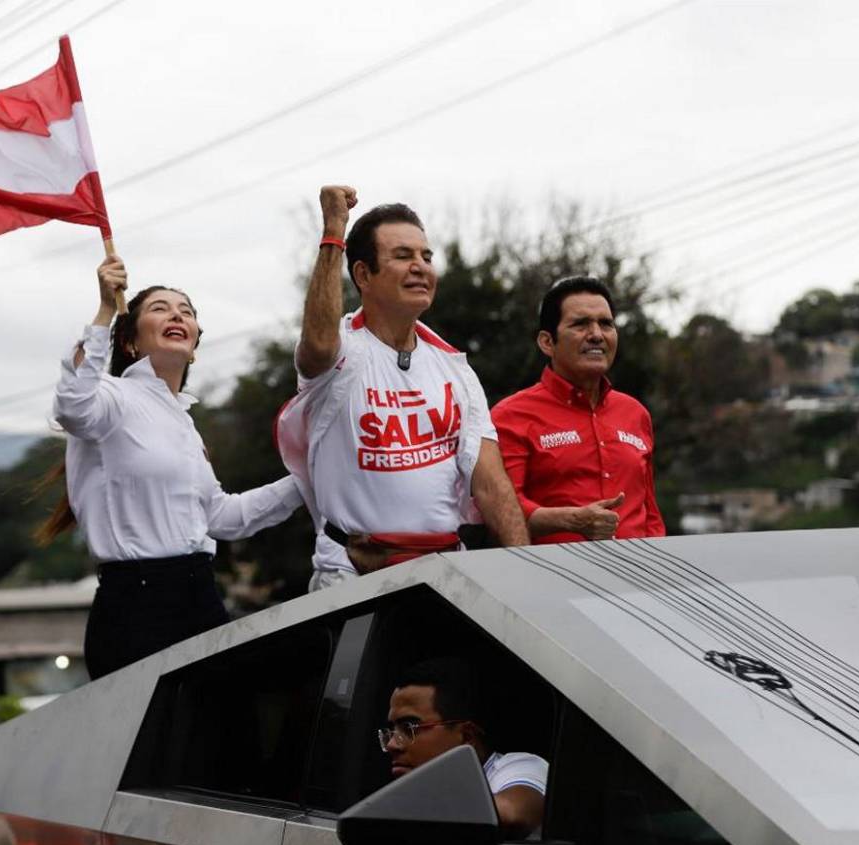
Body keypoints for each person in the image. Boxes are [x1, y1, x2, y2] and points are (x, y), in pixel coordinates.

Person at [45, 254, 305, 679]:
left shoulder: (185, 423)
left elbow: (221, 516)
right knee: (155, 743)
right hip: (138, 606)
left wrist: (305, 481)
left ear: (195, 343)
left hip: (200, 596)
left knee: (219, 738)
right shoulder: (112, 396)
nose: (177, 315)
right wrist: (106, 311)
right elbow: (72, 407)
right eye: (160, 308)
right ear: (130, 342)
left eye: (187, 311)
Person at [276, 186, 528, 590]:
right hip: (352, 576)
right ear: (363, 275)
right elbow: (318, 346)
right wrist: (333, 232)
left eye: (426, 257)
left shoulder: (454, 367)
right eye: (402, 256)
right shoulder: (342, 352)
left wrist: (522, 572)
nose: (421, 267)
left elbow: (491, 484)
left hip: (445, 574)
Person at [491, 275, 666, 543]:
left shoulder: (636, 413)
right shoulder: (511, 416)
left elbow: (650, 513)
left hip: (637, 579)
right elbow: (500, 510)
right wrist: (571, 520)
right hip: (554, 579)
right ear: (547, 342)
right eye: (580, 324)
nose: (596, 335)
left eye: (606, 324)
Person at [368, 657, 548, 845]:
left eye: (410, 727)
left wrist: (406, 832)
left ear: (466, 735)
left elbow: (511, 814)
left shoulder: (519, 767)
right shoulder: (417, 793)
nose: (391, 744)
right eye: (391, 731)